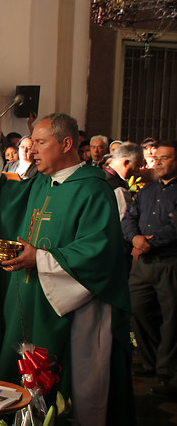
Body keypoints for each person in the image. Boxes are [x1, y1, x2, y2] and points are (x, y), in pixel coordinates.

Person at [0, 113, 134, 425]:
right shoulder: (41, 183)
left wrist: (38, 259)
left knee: (68, 393)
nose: (34, 150)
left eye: (41, 142)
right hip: (28, 301)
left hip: (72, 310)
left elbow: (98, 254)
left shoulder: (94, 190)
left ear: (66, 143)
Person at [121, 140, 177, 399]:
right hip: (142, 265)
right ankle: (150, 362)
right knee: (138, 310)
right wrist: (135, 239)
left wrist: (147, 244)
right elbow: (129, 218)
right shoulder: (147, 191)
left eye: (166, 158)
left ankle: (169, 375)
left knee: (171, 320)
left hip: (169, 262)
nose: (159, 162)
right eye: (158, 158)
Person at [104, 142, 143, 220]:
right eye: (137, 165)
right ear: (126, 163)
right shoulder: (119, 189)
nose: (139, 170)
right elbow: (124, 221)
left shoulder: (98, 176)